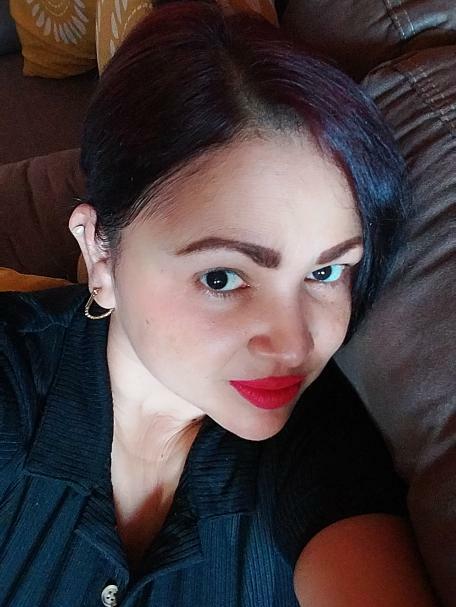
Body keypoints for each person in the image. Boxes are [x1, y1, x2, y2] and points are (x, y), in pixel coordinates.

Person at [0, 1, 438, 605]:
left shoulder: (324, 445)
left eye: (326, 271)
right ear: (100, 251)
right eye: (222, 278)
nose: (294, 344)